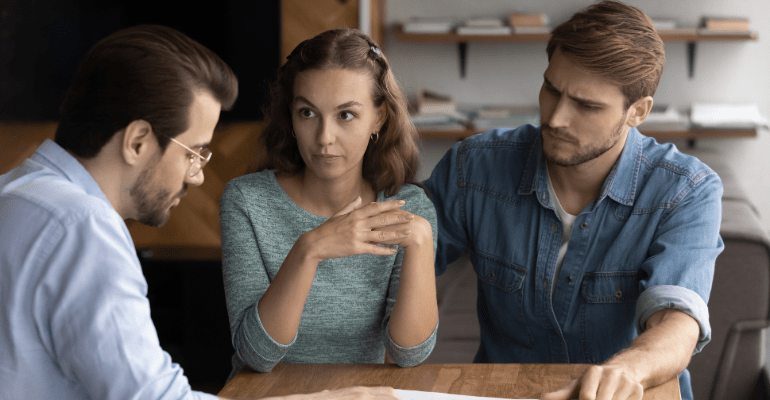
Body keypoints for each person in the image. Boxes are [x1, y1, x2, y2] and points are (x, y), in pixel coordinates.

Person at [0, 24, 400, 400]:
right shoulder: (82, 230)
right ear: (138, 142)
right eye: (193, 153)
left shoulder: (15, 192)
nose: (197, 176)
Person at [423, 2, 722, 400]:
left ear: (637, 112)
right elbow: (386, 269)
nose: (556, 118)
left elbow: (677, 319)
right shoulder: (474, 167)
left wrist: (625, 371)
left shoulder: (686, 190)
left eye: (586, 105)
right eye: (552, 90)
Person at [219, 28, 438, 378]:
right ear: (291, 117)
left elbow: (409, 354)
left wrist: (422, 241)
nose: (324, 137)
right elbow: (256, 356)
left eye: (346, 115)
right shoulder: (247, 201)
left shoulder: (408, 209)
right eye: (307, 113)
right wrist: (310, 249)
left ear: (379, 118)